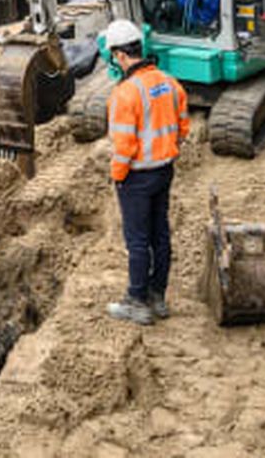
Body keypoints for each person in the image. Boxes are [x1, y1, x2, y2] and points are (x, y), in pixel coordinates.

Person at [103, 19, 190, 326]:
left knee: (137, 241)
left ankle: (136, 301)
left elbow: (124, 145)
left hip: (137, 176)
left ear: (120, 55)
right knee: (160, 235)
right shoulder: (169, 82)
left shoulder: (125, 94)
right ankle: (158, 296)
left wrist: (118, 174)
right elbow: (183, 126)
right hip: (164, 170)